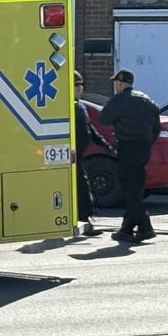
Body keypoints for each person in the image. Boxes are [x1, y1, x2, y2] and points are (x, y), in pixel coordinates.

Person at [99, 68, 161, 244]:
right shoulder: (146, 100)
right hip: (144, 149)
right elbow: (157, 126)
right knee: (136, 188)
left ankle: (146, 227)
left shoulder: (119, 100)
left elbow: (104, 118)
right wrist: (148, 142)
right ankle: (129, 229)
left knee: (130, 189)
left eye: (115, 83)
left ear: (120, 83)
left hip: (128, 148)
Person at [71, 72, 99, 237]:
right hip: (71, 156)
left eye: (81, 85)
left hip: (80, 155)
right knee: (81, 188)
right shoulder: (68, 106)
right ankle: (83, 218)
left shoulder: (80, 106)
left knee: (82, 187)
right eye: (76, 85)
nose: (80, 88)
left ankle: (84, 218)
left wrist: (104, 143)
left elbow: (90, 128)